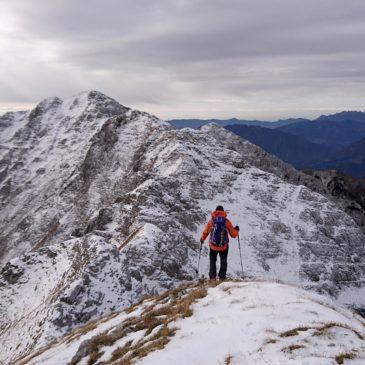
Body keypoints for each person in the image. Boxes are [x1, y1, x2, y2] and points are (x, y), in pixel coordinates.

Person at [200, 205, 239, 280]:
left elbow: (206, 232)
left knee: (212, 261)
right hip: (223, 247)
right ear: (223, 211)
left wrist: (202, 239)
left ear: (215, 211)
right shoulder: (226, 221)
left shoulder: (211, 221)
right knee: (223, 262)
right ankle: (222, 278)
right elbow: (233, 235)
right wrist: (236, 230)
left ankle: (212, 278)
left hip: (213, 246)